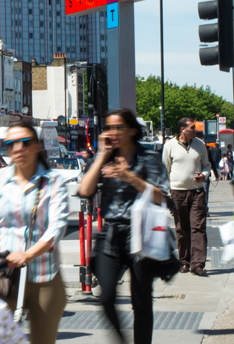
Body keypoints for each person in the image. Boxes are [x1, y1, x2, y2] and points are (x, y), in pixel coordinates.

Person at [0, 119, 69, 344]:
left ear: (37, 146)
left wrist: (28, 255)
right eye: (11, 144)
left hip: (43, 275)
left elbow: (57, 228)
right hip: (4, 274)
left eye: (25, 143)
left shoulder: (54, 181)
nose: (18, 149)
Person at [78, 108, 169, 344]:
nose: (113, 132)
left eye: (118, 127)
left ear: (131, 130)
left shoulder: (149, 157)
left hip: (141, 233)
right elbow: (85, 191)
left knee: (141, 301)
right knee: (106, 297)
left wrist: (129, 177)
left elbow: (161, 197)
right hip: (110, 234)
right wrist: (100, 155)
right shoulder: (105, 157)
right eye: (108, 127)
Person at [163, 118, 212, 276]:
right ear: (183, 129)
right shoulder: (170, 145)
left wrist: (203, 176)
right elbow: (165, 170)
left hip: (197, 191)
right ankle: (184, 261)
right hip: (177, 192)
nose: (195, 130)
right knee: (182, 229)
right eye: (192, 127)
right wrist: (166, 192)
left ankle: (197, 264)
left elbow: (206, 165)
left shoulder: (200, 144)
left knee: (198, 228)